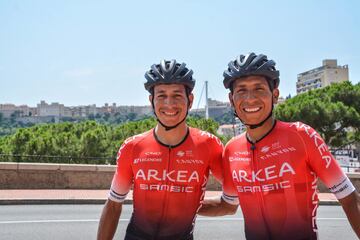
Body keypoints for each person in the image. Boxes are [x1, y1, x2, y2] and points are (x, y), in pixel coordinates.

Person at [198, 52, 360, 239]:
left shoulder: (301, 136)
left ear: (275, 95)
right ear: (231, 99)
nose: (250, 98)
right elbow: (228, 205)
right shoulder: (231, 149)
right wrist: (184, 206)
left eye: (259, 89)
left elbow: (350, 199)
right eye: (241, 90)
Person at [97, 59, 224, 240]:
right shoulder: (133, 147)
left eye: (177, 95)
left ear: (190, 99)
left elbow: (231, 203)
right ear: (151, 100)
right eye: (161, 95)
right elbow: (113, 205)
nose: (169, 103)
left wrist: (191, 207)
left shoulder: (209, 145)